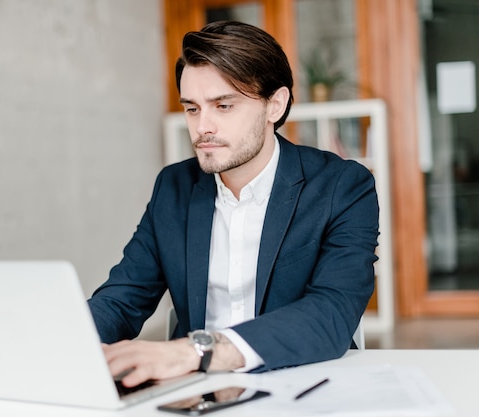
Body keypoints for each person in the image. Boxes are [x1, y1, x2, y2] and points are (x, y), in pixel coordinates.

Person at [88, 20, 379, 388]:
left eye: (223, 105)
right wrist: (64, 343)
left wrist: (198, 351)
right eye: (192, 109)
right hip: (200, 391)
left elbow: (331, 312)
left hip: (302, 381)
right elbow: (122, 299)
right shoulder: (174, 186)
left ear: (275, 104)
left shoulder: (343, 186)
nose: (202, 127)